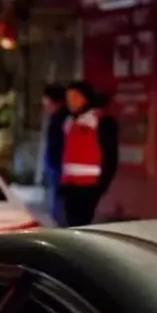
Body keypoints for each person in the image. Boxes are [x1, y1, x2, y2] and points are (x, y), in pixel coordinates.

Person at [59, 80, 120, 227]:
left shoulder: (102, 121)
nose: (70, 102)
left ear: (86, 98)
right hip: (69, 184)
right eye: (68, 98)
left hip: (89, 186)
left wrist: (102, 185)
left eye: (75, 97)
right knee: (71, 225)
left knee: (83, 225)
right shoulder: (68, 122)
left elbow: (111, 156)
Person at [41, 84, 69, 226]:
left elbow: (58, 146)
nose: (45, 106)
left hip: (60, 169)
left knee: (59, 207)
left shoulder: (62, 119)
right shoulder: (57, 118)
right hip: (55, 168)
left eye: (47, 102)